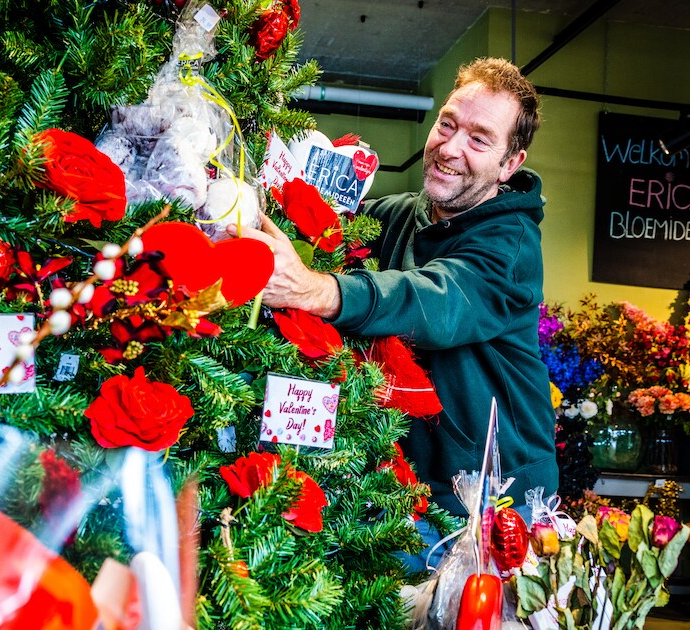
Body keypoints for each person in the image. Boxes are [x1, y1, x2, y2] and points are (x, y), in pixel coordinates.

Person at [236, 57, 558, 564]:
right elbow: (330, 238)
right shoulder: (395, 215)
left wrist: (315, 289)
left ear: (510, 164)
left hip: (489, 505)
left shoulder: (511, 244)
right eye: (447, 124)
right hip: (395, 487)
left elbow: (435, 300)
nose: (450, 148)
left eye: (478, 139)